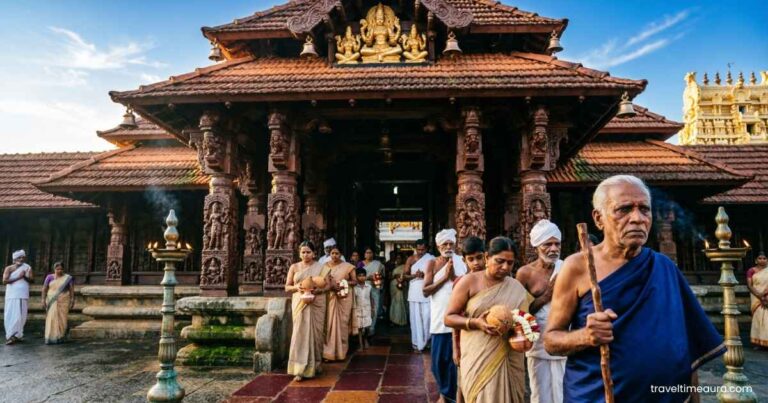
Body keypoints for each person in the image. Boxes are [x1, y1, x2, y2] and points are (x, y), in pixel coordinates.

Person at [544, 175, 726, 402]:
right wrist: (585, 336)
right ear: (598, 219)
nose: (637, 218)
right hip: (597, 395)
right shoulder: (578, 267)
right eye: (624, 209)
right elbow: (551, 341)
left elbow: (685, 345)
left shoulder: (664, 268)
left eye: (644, 210)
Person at [445, 236, 532, 403]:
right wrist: (475, 323)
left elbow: (525, 320)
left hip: (509, 357)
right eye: (499, 261)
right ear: (487, 258)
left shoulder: (516, 288)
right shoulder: (469, 282)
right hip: (478, 355)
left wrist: (526, 334)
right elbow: (449, 318)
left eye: (510, 263)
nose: (505, 267)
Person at [515, 220, 566, 403]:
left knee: (564, 391)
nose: (553, 249)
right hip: (538, 342)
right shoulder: (525, 273)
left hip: (564, 337)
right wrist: (546, 296)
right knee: (540, 392)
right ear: (537, 246)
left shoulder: (567, 268)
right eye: (547, 244)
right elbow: (519, 313)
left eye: (557, 244)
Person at [423, 229, 467, 403]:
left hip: (459, 317)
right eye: (444, 244)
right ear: (438, 246)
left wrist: (454, 276)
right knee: (439, 363)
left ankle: (453, 397)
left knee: (456, 362)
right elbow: (426, 291)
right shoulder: (432, 264)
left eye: (451, 244)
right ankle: (446, 393)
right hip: (440, 319)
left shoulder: (462, 261)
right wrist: (444, 278)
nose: (448, 247)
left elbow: (467, 284)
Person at [285, 241, 331, 381]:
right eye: (303, 252)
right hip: (300, 302)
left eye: (308, 252)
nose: (306, 255)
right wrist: (298, 288)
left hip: (317, 302)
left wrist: (318, 290)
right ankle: (299, 369)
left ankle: (315, 364)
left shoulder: (321, 267)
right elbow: (287, 287)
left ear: (314, 253)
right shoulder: (294, 267)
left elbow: (328, 286)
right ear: (299, 253)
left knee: (316, 335)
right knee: (300, 333)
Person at [453, 236, 487, 403]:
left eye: (479, 257)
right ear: (464, 260)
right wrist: (455, 348)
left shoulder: (497, 280)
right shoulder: (461, 282)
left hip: (490, 340)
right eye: (471, 259)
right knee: (463, 382)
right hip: (467, 340)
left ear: (486, 256)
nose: (476, 263)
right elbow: (453, 317)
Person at [323, 245, 358, 361]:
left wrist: (343, 283)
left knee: (343, 324)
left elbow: (354, 281)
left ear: (341, 254)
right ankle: (328, 353)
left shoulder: (348, 267)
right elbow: (321, 281)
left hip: (344, 298)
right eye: (332, 253)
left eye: (337, 253)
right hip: (330, 297)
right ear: (329, 254)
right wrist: (331, 286)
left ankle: (341, 352)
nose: (334, 256)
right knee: (329, 324)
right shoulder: (324, 267)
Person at [404, 239, 434, 352]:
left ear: (426, 249)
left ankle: (427, 341)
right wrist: (414, 275)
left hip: (427, 290)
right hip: (414, 291)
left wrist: (425, 275)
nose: (420, 252)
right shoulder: (411, 259)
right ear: (415, 249)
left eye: (423, 249)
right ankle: (416, 343)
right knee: (415, 318)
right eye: (418, 249)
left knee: (428, 317)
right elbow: (405, 276)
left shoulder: (431, 259)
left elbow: (436, 273)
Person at [3, 250, 33, 345]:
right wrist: (19, 277)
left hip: (23, 293)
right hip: (12, 294)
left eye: (22, 257)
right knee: (11, 314)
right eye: (19, 258)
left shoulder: (27, 267)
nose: (21, 259)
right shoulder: (9, 268)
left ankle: (18, 335)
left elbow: (32, 280)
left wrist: (24, 277)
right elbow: (5, 281)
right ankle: (11, 335)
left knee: (21, 315)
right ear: (14, 259)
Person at [42, 261, 75, 345]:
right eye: (57, 269)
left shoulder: (68, 278)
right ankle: (51, 337)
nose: (59, 271)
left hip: (63, 300)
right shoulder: (49, 277)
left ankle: (60, 336)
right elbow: (44, 289)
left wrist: (72, 300)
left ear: (63, 269)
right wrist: (43, 299)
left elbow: (71, 289)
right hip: (51, 300)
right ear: (54, 269)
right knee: (51, 318)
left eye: (61, 269)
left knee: (62, 319)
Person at [361, 247, 385, 335]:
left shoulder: (378, 264)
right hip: (363, 287)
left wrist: (378, 281)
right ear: (364, 254)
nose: (369, 254)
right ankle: (363, 327)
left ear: (373, 254)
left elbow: (382, 276)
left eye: (370, 252)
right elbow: (357, 276)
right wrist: (368, 278)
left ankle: (372, 327)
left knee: (375, 306)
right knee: (364, 307)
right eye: (367, 253)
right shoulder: (360, 264)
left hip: (375, 287)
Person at [747, 251, 768, 349]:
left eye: (764, 258)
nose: (762, 260)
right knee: (758, 319)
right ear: (756, 260)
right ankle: (759, 343)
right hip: (756, 298)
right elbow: (750, 285)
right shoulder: (751, 271)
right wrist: (760, 296)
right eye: (760, 258)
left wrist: (765, 296)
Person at [354, 268, 375, 349]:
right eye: (359, 276)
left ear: (366, 276)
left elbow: (371, 298)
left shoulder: (369, 286)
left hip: (367, 309)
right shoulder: (355, 287)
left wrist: (373, 309)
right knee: (359, 328)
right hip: (358, 309)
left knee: (367, 327)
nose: (361, 278)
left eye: (363, 276)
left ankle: (365, 338)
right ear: (356, 277)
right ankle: (360, 344)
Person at [389, 253, 408, 326]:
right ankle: (393, 319)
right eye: (397, 258)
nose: (398, 259)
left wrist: (400, 280)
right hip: (393, 285)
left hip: (400, 285)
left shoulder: (404, 267)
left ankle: (399, 320)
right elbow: (390, 277)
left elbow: (405, 276)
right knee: (393, 302)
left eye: (399, 258)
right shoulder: (393, 266)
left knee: (399, 301)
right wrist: (394, 276)